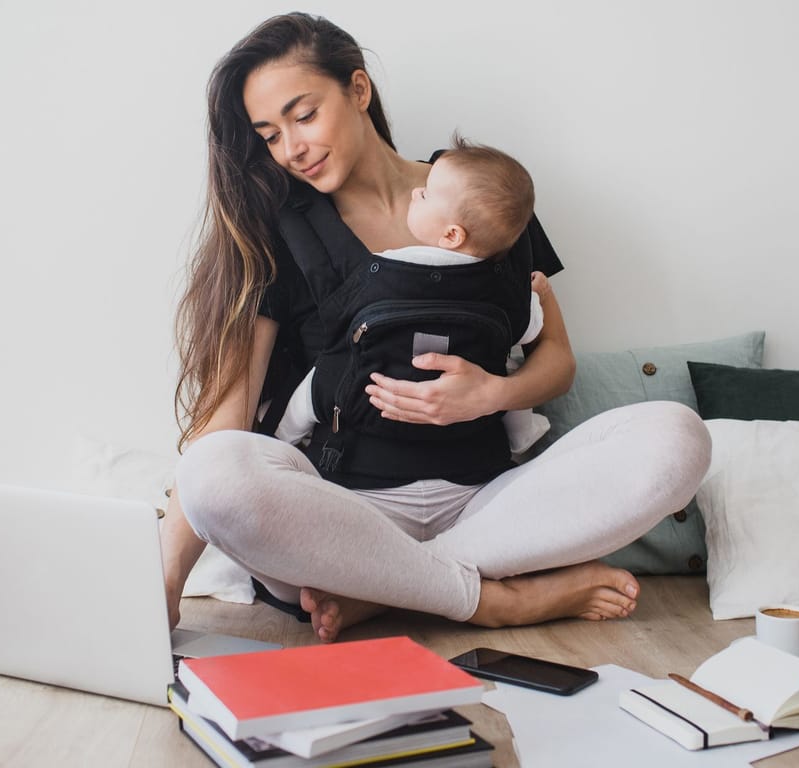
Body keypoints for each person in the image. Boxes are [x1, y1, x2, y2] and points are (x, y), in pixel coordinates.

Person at [165, 12, 711, 643]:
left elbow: (556, 360)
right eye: (268, 135)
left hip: (487, 505)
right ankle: (490, 601)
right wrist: (166, 578)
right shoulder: (279, 232)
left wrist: (492, 394)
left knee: (677, 435)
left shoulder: (483, 196)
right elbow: (226, 416)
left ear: (359, 90)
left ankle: (392, 592)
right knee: (214, 473)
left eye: (303, 115)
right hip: (347, 519)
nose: (291, 148)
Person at [272, 135, 551, 457]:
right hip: (468, 441)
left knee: (320, 379)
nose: (416, 192)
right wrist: (537, 295)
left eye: (426, 194)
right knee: (512, 374)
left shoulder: (386, 263)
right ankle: (522, 435)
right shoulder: (505, 284)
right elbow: (529, 330)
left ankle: (282, 437)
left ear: (451, 234)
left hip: (373, 410)